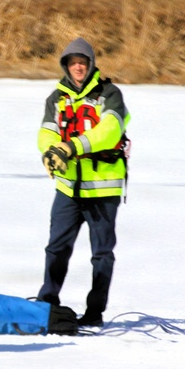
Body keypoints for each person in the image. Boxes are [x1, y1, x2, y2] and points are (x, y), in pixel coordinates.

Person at [38, 37, 131, 327]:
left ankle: (95, 312)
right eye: (73, 62)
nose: (78, 67)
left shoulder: (110, 94)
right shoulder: (57, 98)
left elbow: (110, 130)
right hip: (68, 189)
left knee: (101, 254)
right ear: (66, 65)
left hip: (104, 189)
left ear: (91, 65)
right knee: (56, 248)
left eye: (83, 62)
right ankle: (47, 303)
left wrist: (72, 147)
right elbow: (46, 132)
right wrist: (51, 152)